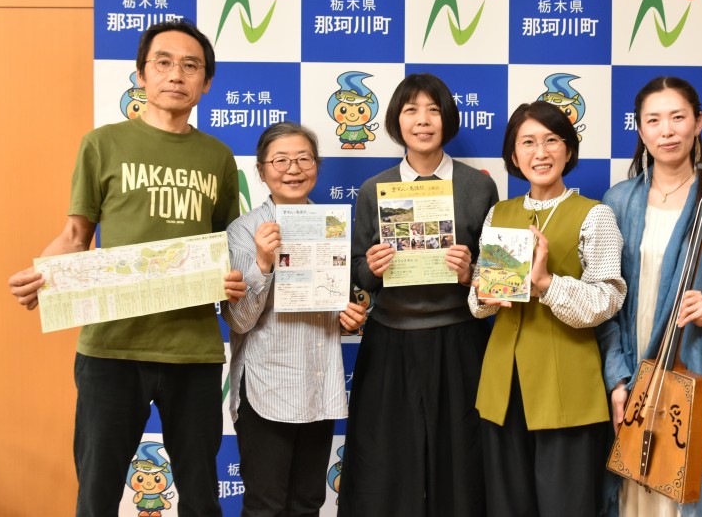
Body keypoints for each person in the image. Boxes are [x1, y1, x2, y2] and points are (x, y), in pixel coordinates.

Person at [7, 19, 247, 516]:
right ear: (141, 74)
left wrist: (233, 280)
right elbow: (75, 236)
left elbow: (225, 245)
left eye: (191, 65)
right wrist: (42, 275)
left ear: (206, 82)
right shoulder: (102, 144)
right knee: (97, 492)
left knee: (201, 495)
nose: (176, 74)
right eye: (163, 62)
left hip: (193, 351)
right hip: (111, 347)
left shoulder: (219, 157)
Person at [338, 73, 499, 516]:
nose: (423, 120)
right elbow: (355, 272)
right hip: (391, 340)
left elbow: (497, 277)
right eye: (411, 111)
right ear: (397, 120)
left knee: (462, 464)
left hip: (460, 339)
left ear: (448, 119)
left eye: (433, 110)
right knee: (386, 467)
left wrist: (470, 273)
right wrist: (370, 269)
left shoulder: (478, 186)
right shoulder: (375, 188)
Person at [598, 77, 702, 516]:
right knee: (640, 483)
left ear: (699, 123)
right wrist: (617, 379)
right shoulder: (618, 201)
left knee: (696, 489)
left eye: (677, 117)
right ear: (640, 129)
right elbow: (607, 302)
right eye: (653, 120)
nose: (666, 131)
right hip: (638, 364)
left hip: (701, 360)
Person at [470, 100, 626, 517]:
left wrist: (545, 284)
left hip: (567, 390)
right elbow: (478, 302)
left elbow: (607, 299)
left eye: (551, 140)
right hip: (503, 388)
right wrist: (484, 294)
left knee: (566, 506)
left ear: (568, 150)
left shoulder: (594, 215)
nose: (540, 153)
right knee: (506, 507)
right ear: (513, 154)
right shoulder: (499, 213)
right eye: (528, 142)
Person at [222, 121, 366, 516]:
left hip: (319, 381)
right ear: (261, 170)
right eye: (281, 160)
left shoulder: (332, 225)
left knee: (308, 503)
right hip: (267, 385)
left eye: (304, 159)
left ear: (316, 165)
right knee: (265, 504)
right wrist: (262, 262)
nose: (293, 169)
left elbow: (337, 301)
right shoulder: (243, 230)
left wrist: (351, 315)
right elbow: (239, 321)